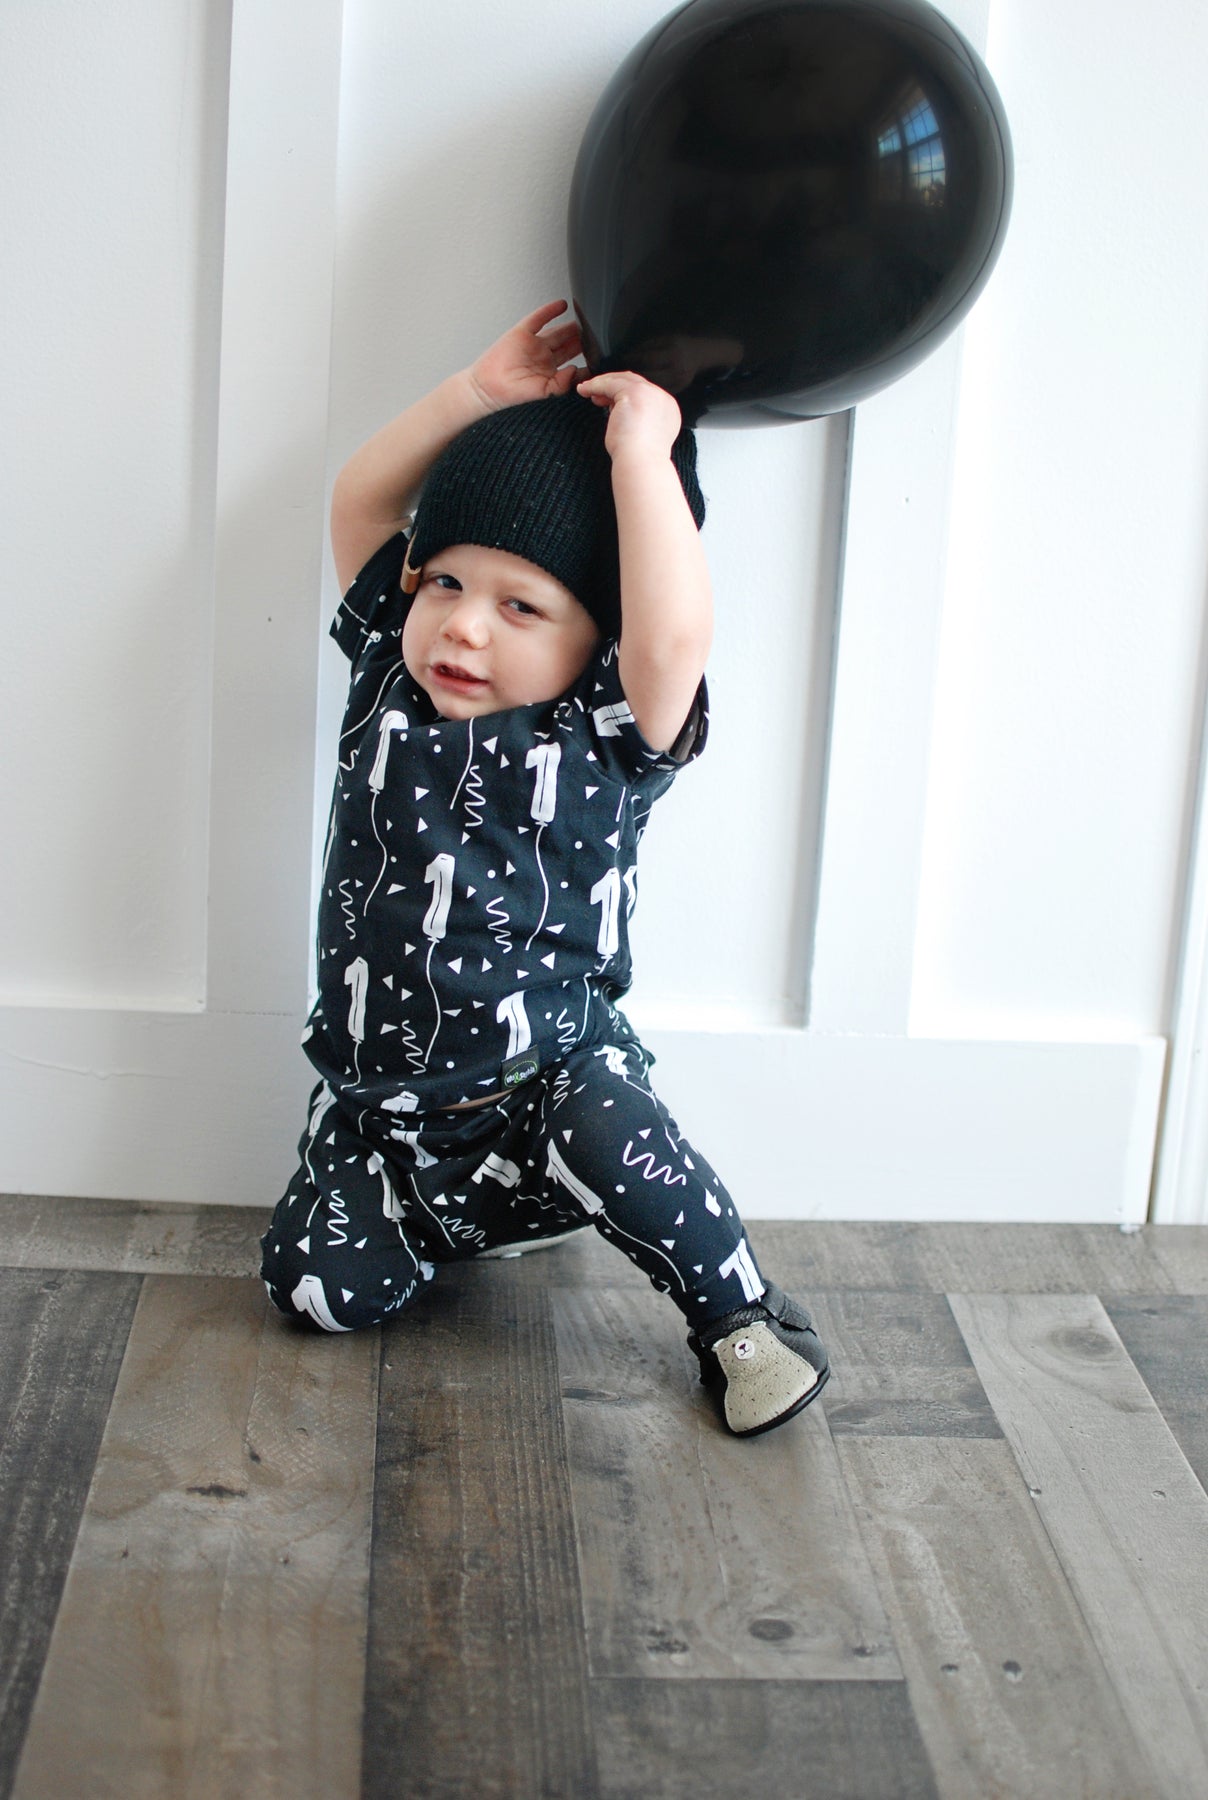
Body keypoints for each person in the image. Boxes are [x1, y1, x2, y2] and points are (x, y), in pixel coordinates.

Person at [259, 301, 829, 1437]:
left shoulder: (604, 733)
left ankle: (738, 1317)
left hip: (546, 1086)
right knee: (311, 1293)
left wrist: (643, 460)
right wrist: (471, 398)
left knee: (615, 1142)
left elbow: (673, 636)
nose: (463, 629)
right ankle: (451, 1219)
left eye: (520, 605)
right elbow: (360, 505)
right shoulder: (385, 681)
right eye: (444, 585)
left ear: (594, 640)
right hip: (383, 1111)